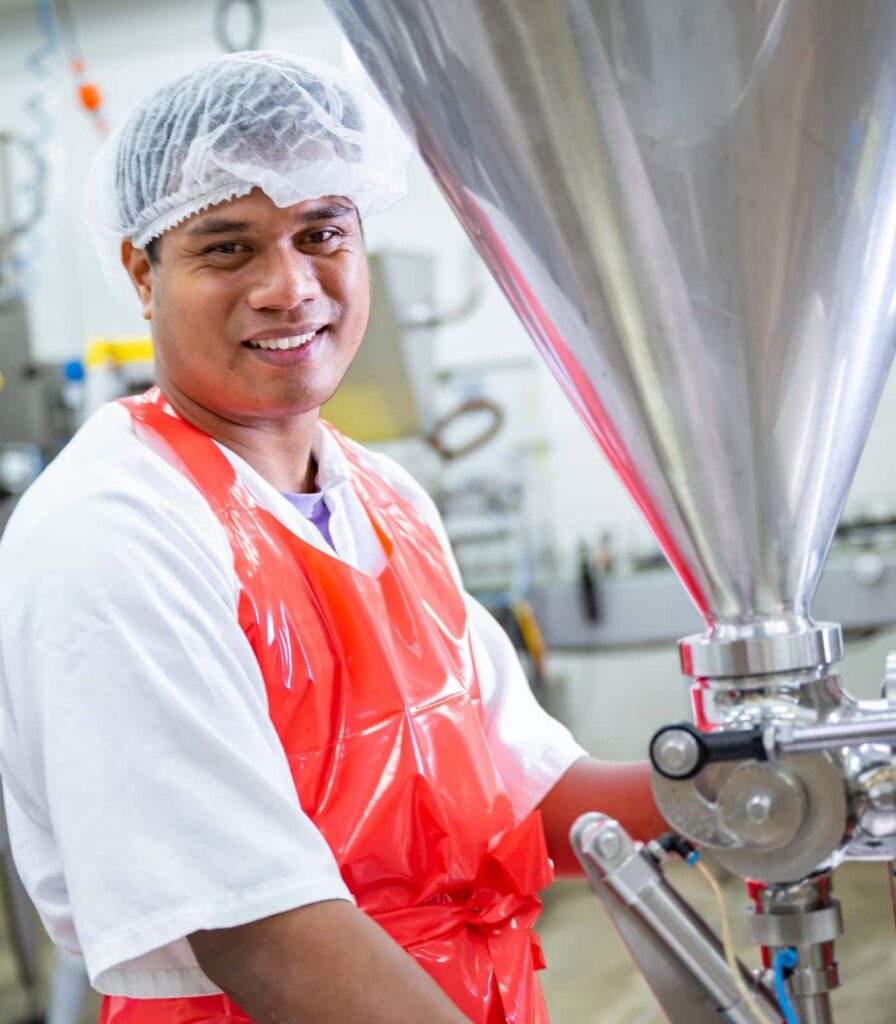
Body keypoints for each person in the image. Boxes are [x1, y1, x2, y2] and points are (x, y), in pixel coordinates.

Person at [0, 52, 666, 1024]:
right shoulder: (113, 528)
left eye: (321, 233)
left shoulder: (384, 497)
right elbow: (259, 932)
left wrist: (745, 780)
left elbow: (529, 791)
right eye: (227, 247)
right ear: (143, 271)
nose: (289, 287)